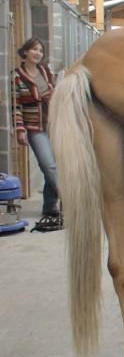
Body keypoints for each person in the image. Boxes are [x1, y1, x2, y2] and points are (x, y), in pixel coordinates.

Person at [12, 37, 62, 229]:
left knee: (56, 164)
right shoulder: (16, 76)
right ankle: (69, 197)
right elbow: (15, 105)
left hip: (53, 123)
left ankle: (50, 207)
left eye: (40, 50)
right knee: (48, 165)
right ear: (25, 52)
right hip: (34, 127)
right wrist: (20, 129)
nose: (38, 53)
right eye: (34, 49)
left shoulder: (45, 71)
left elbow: (54, 92)